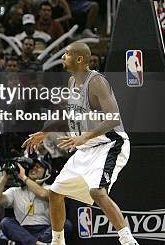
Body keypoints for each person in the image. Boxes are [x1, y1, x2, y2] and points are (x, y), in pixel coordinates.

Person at [22, 42, 136, 245]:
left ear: (79, 59)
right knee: (55, 193)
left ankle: (128, 241)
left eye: (66, 54)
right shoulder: (72, 81)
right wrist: (45, 132)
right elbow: (69, 116)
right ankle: (58, 242)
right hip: (86, 149)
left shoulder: (97, 82)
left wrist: (83, 137)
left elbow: (114, 118)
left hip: (109, 144)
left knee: (97, 192)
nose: (63, 57)